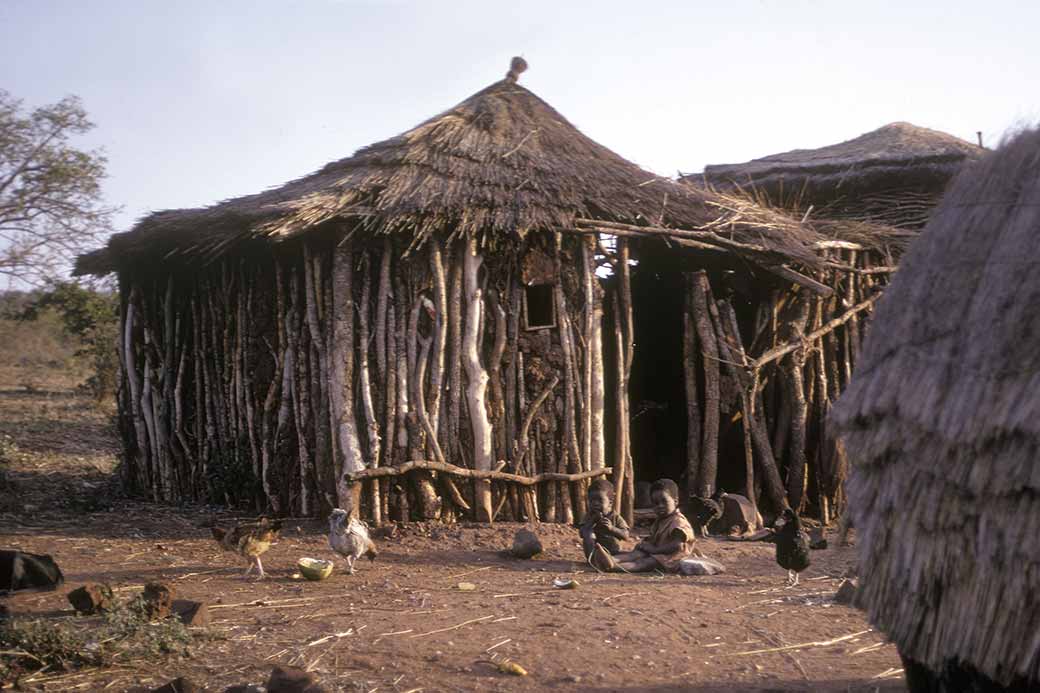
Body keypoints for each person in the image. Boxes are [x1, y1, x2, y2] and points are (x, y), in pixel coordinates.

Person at [590, 478, 697, 573]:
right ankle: (610, 560)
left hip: (673, 557)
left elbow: (677, 545)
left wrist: (655, 550)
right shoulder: (662, 520)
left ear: (676, 501)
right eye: (655, 503)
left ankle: (613, 567)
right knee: (636, 553)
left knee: (645, 562)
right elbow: (656, 538)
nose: (660, 506)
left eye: (664, 502)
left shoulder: (678, 521)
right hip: (660, 552)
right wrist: (645, 545)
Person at [579, 479, 630, 560]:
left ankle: (610, 560)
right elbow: (582, 533)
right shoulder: (589, 516)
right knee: (588, 532)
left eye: (600, 500)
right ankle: (593, 559)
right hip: (595, 552)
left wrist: (612, 529)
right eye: (591, 501)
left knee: (633, 554)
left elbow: (626, 535)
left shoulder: (615, 517)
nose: (595, 503)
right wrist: (591, 522)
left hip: (614, 552)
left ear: (610, 502)